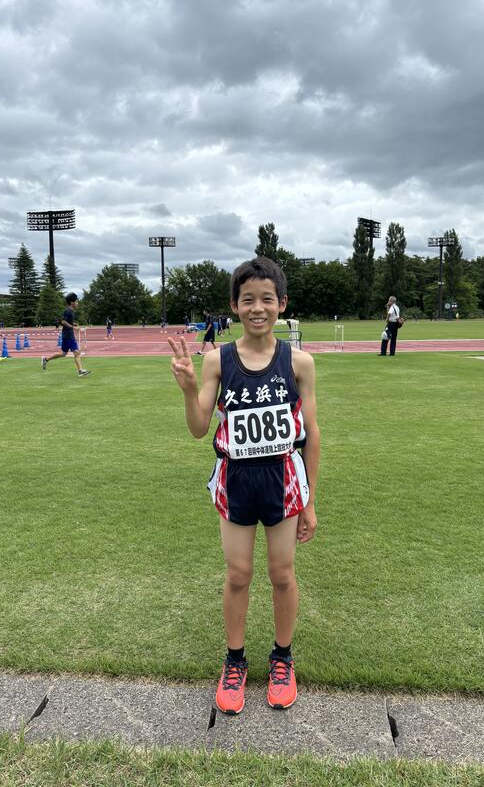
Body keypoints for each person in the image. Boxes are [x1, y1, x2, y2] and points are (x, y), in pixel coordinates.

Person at [168, 257, 319, 715]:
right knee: (238, 574)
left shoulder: (300, 362)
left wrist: (310, 501)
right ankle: (235, 661)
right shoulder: (218, 360)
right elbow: (200, 428)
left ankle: (282, 658)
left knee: (282, 574)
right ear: (234, 305)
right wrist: (188, 389)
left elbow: (311, 434)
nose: (258, 308)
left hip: (282, 480)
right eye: (248, 299)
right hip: (236, 480)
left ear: (282, 304)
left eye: (266, 299)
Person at [41, 292, 91, 377]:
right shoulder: (68, 311)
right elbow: (63, 321)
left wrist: (73, 324)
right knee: (77, 353)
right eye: (76, 301)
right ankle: (80, 371)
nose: (77, 303)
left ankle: (45, 359)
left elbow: (64, 322)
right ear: (72, 302)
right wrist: (73, 327)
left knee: (63, 353)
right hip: (68, 336)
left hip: (67, 335)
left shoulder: (70, 311)